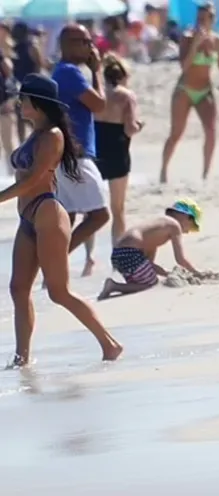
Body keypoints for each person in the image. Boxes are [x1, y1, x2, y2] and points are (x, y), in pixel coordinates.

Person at [0, 74, 123, 365]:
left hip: (48, 215)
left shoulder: (53, 135)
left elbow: (33, 180)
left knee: (59, 291)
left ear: (38, 104)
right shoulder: (35, 132)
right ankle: (22, 358)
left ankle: (110, 344)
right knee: (18, 288)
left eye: (24, 99)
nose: (19, 103)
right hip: (27, 219)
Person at [52, 24, 111, 277]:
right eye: (85, 42)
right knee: (100, 215)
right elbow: (99, 105)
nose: (91, 47)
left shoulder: (63, 72)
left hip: (66, 153)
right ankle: (54, 263)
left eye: (91, 42)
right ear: (68, 44)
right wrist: (97, 72)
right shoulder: (69, 73)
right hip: (76, 155)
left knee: (69, 215)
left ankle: (52, 271)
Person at [160, 1, 219, 183]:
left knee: (211, 130)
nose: (200, 22)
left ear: (212, 20)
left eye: (205, 18)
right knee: (176, 133)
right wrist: (196, 44)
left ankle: (206, 174)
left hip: (205, 90)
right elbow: (184, 66)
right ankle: (163, 171)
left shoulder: (217, 40)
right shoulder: (187, 37)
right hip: (185, 89)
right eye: (199, 18)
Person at [98, 199, 202, 300]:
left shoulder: (156, 228)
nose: (188, 232)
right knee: (150, 284)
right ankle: (114, 286)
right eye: (192, 227)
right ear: (186, 216)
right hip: (130, 254)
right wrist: (196, 273)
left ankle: (116, 286)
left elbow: (149, 264)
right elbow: (180, 259)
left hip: (119, 255)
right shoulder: (174, 225)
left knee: (142, 281)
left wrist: (167, 273)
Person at [95, 52, 144, 246]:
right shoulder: (126, 96)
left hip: (95, 152)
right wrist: (140, 126)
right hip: (117, 153)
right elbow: (130, 129)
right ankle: (118, 254)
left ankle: (89, 258)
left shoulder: (96, 92)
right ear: (123, 76)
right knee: (118, 210)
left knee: (91, 211)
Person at [12, 22, 44, 143]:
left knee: (30, 117)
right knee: (20, 117)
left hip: (29, 86)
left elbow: (39, 65)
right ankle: (23, 144)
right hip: (19, 86)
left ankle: (39, 139)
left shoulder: (31, 46)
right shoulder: (14, 48)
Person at [0, 23, 15, 173]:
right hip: (4, 103)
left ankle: (11, 172)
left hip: (4, 104)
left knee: (7, 141)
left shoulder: (5, 51)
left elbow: (9, 75)